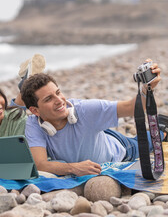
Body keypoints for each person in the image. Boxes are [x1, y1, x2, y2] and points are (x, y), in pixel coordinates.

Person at [21, 59, 168, 177]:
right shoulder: (34, 125)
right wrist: (73, 168)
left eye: (58, 92)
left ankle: (163, 128)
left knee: (143, 141)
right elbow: (40, 164)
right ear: (35, 111)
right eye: (48, 99)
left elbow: (131, 107)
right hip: (94, 139)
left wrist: (147, 88)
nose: (59, 100)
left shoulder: (85, 110)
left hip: (119, 149)